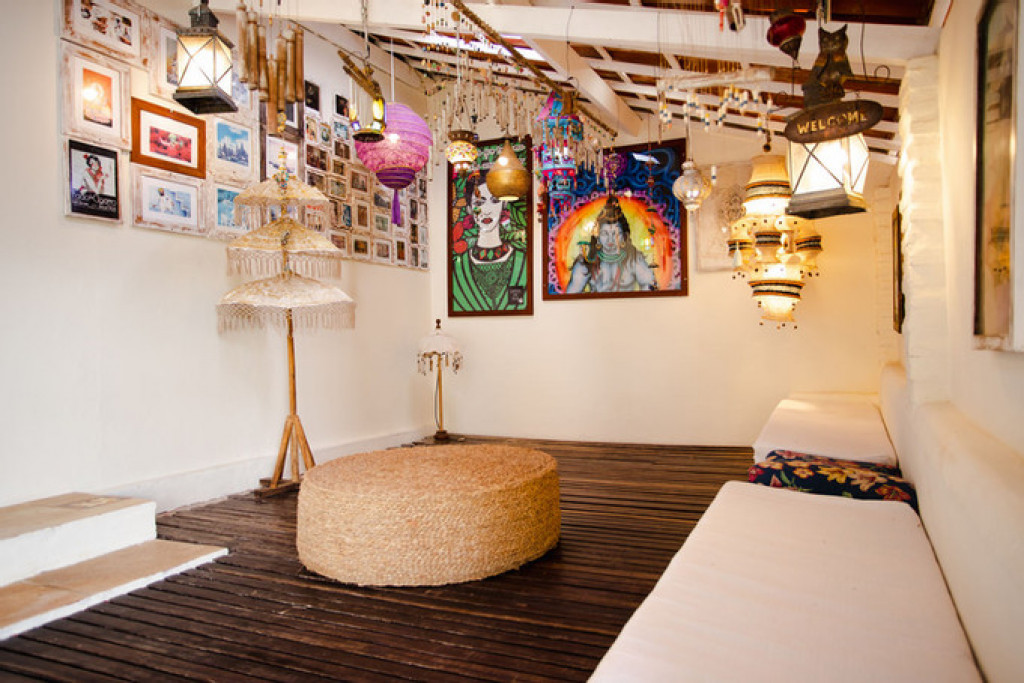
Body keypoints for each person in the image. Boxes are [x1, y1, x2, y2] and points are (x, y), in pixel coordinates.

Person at [450, 171, 528, 311]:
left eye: (494, 201)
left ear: (504, 204)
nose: (486, 211)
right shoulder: (459, 266)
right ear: (469, 208)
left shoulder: (522, 261)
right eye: (479, 202)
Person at [566, 195, 657, 293]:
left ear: (624, 237)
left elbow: (650, 287)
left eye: (616, 234)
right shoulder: (587, 261)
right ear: (597, 237)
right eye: (605, 234)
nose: (610, 239)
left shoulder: (634, 259)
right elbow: (572, 294)